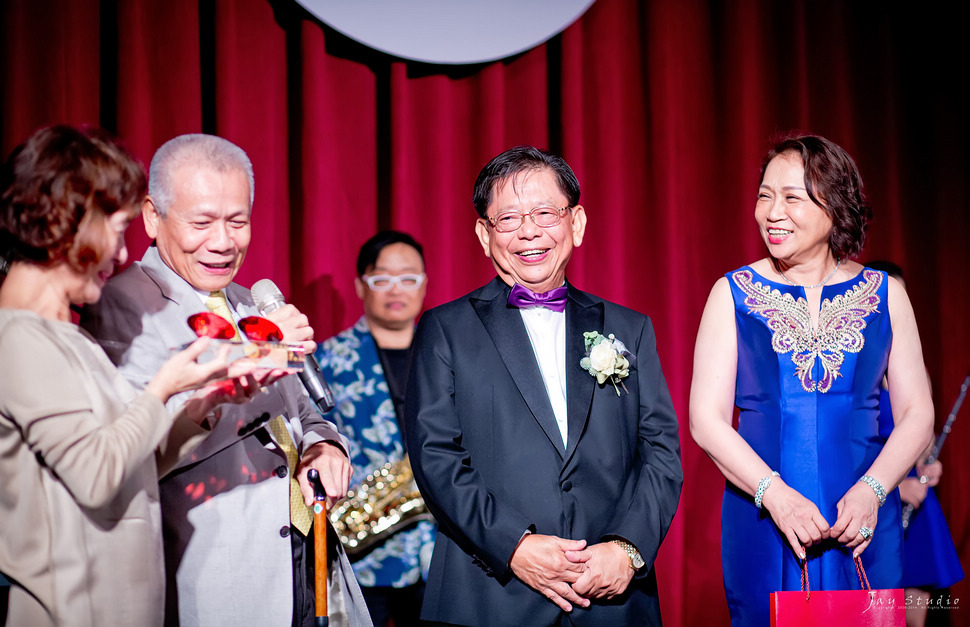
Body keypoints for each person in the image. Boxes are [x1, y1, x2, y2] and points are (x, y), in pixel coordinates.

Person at [80, 134, 371, 627]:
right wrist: (249, 370)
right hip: (220, 578)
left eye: (238, 221)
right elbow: (134, 454)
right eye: (202, 222)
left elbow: (302, 414)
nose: (223, 241)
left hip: (306, 558)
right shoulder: (122, 305)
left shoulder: (246, 301)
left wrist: (326, 446)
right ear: (152, 216)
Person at [0, 125, 269, 626]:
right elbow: (97, 476)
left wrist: (202, 405)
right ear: (67, 222)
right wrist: (163, 386)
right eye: (116, 227)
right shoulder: (18, 339)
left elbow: (134, 468)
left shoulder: (70, 339)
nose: (121, 254)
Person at [404, 146, 683, 626]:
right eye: (508, 218)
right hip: (490, 596)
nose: (529, 231)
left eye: (543, 213)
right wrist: (514, 545)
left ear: (575, 223)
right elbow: (435, 458)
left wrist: (627, 548)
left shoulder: (629, 328)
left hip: (612, 602)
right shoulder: (445, 329)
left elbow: (660, 451)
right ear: (483, 234)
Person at [689, 134, 935, 626]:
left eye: (791, 198)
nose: (771, 212)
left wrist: (873, 490)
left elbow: (917, 412)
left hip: (864, 519)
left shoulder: (885, 295)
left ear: (835, 206)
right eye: (764, 195)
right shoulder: (731, 294)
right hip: (765, 518)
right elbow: (706, 420)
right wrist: (775, 495)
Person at [316, 230, 436, 626]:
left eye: (408, 278)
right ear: (360, 286)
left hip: (441, 555)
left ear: (424, 284)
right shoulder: (324, 361)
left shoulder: (446, 354)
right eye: (382, 278)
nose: (395, 289)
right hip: (364, 559)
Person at [866, 260, 964, 627]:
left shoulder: (913, 365)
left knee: (916, 611)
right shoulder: (857, 365)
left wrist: (927, 465)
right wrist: (895, 487)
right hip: (875, 502)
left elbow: (923, 437)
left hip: (916, 505)